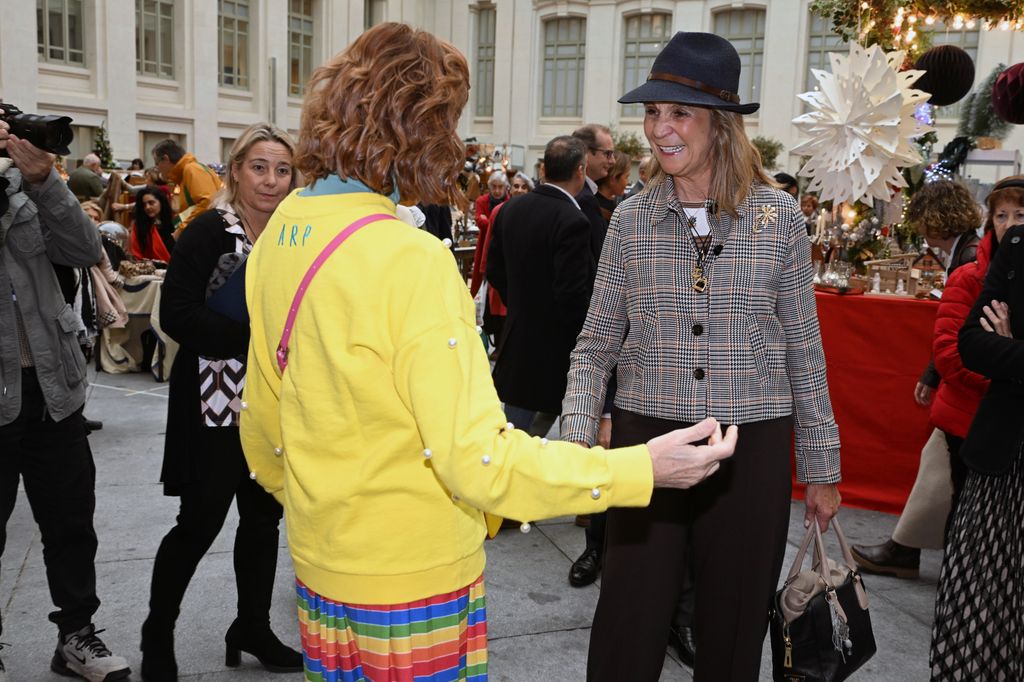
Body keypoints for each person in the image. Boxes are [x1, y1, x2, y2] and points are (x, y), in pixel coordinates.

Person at [240, 23, 738, 682]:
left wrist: (330, 508)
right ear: (423, 127)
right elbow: (479, 462)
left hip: (322, 571)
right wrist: (640, 470)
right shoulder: (406, 257)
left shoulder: (283, 233)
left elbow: (262, 429)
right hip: (411, 581)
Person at [561, 31, 842, 681]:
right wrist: (576, 442)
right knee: (628, 623)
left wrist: (823, 465)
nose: (660, 128)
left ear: (720, 126)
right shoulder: (630, 221)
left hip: (753, 445)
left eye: (678, 113)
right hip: (645, 438)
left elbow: (804, 346)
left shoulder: (779, 219)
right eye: (652, 112)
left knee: (735, 626)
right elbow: (596, 342)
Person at [141, 123, 303, 681]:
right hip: (212, 399)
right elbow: (176, 314)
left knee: (263, 519)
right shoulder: (208, 230)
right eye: (259, 167)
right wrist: (260, 342)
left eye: (282, 169)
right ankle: (156, 635)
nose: (271, 180)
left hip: (273, 401)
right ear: (235, 170)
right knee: (199, 521)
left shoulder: (296, 234)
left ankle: (251, 626)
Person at [0, 121, 131, 681]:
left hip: (53, 388)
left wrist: (43, 180)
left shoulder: (30, 185)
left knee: (71, 523)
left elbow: (84, 249)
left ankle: (77, 636)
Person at [852, 179, 985, 578]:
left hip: (966, 391)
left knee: (940, 469)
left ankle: (905, 550)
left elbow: (959, 333)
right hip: (963, 389)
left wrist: (934, 372)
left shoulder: (968, 258)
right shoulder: (965, 251)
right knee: (939, 470)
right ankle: (905, 549)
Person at [930, 192, 1024, 679]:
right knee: (978, 604)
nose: (1010, 223)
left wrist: (1013, 349)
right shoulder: (1015, 252)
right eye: (1002, 215)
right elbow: (969, 345)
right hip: (1000, 457)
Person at [487, 136, 593, 439]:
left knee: (514, 428)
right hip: (554, 346)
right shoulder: (573, 220)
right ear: (580, 172)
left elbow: (494, 271)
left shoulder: (511, 209)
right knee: (535, 436)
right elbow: (571, 293)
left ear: (544, 170)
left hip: (518, 336)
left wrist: (521, 301)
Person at [478, 171, 533, 349]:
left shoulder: (534, 211)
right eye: (516, 186)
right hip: (502, 270)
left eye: (524, 187)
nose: (519, 190)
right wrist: (485, 269)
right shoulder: (498, 210)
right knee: (500, 314)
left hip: (524, 272)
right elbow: (488, 243)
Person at [151, 139, 222, 233]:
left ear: (165, 159)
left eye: (157, 163)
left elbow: (207, 202)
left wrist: (181, 229)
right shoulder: (189, 170)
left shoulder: (191, 169)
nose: (157, 168)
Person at [572, 124, 615, 262]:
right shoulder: (584, 198)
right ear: (585, 153)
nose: (612, 161)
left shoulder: (583, 192)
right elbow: (599, 257)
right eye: (607, 154)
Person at [470, 172, 509, 296]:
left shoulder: (510, 201)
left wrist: (488, 221)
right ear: (489, 187)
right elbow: (479, 222)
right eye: (494, 186)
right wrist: (497, 224)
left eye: (500, 187)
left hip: (503, 248)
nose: (497, 191)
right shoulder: (482, 201)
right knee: (482, 279)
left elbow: (508, 226)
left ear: (506, 187)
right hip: (484, 246)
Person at [130, 187, 175, 262]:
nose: (147, 207)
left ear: (161, 202)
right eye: (144, 205)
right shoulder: (140, 226)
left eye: (151, 203)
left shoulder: (174, 222)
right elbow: (136, 254)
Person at [595, 151, 631, 222]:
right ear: (613, 179)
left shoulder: (594, 201)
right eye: (626, 177)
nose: (628, 182)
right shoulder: (597, 209)